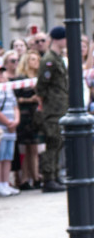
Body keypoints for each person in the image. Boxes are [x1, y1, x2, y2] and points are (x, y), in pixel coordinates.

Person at [36, 26, 69, 193]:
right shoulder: (49, 59)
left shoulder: (58, 57)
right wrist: (44, 104)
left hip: (60, 106)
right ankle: (48, 178)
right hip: (52, 108)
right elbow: (42, 85)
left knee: (58, 142)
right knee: (53, 142)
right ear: (58, 39)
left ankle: (55, 175)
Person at [0, 64, 20, 197]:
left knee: (8, 157)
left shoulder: (8, 88)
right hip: (1, 128)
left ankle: (6, 183)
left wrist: (16, 121)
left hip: (11, 129)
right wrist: (7, 122)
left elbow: (15, 106)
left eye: (2, 73)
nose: (1, 76)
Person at [15, 49, 44, 190]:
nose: (36, 62)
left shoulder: (40, 78)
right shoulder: (21, 79)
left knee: (34, 149)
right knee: (25, 149)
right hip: (24, 116)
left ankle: (36, 176)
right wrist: (29, 99)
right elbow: (16, 99)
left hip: (36, 116)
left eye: (37, 59)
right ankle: (25, 178)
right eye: (32, 59)